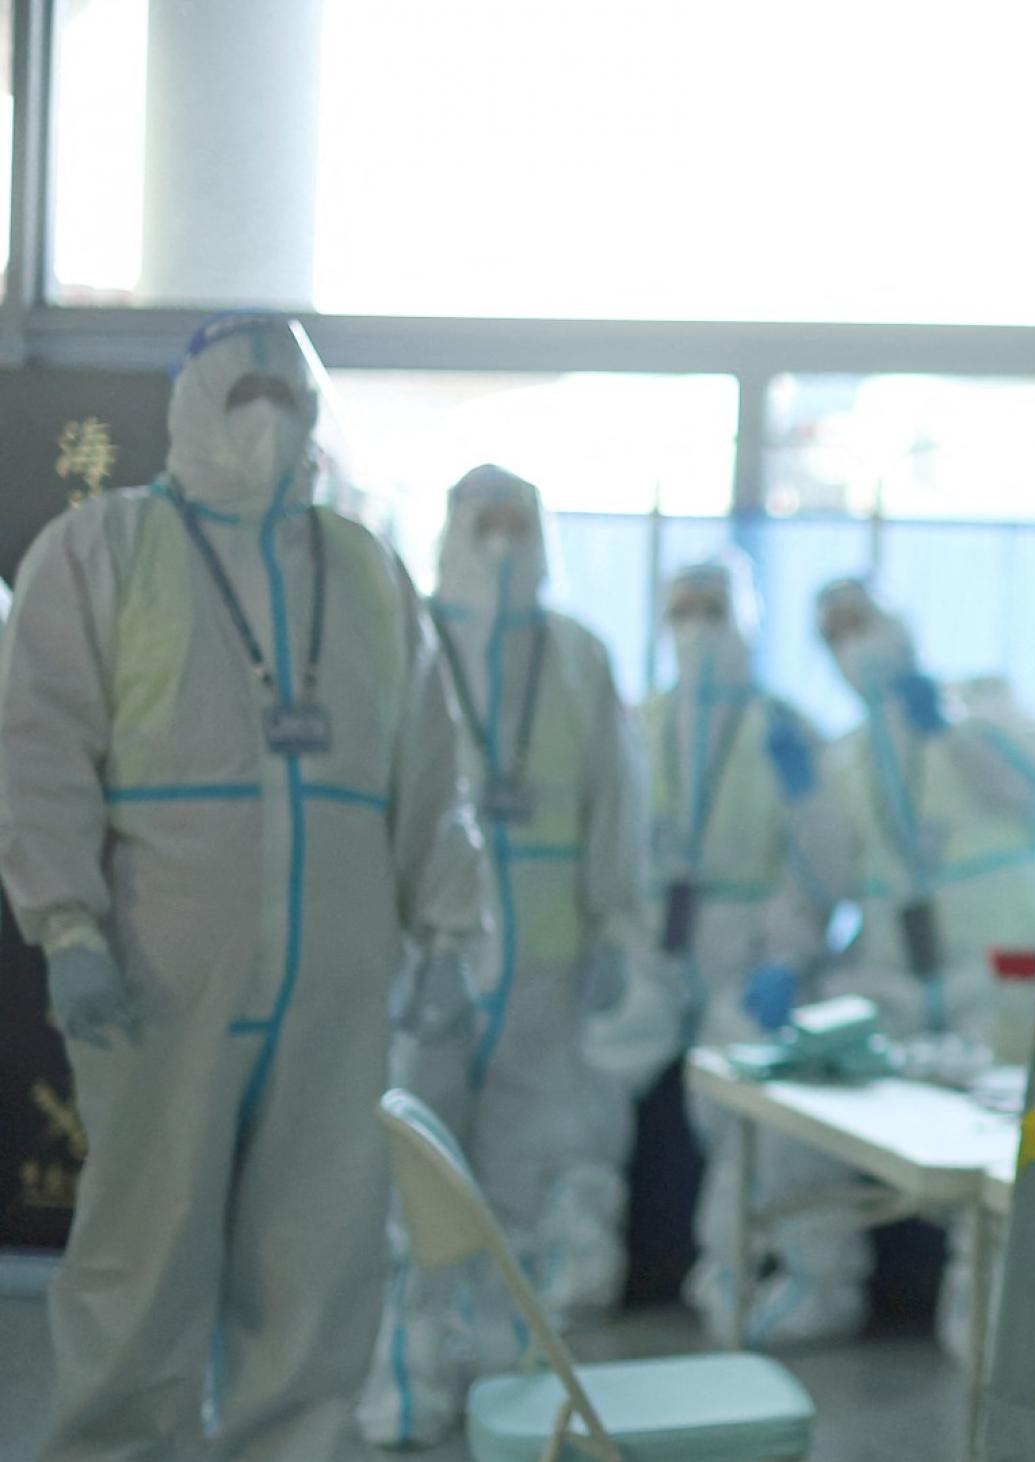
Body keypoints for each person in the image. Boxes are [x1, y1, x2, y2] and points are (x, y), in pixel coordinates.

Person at [0, 312, 492, 1459]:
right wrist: (66, 924)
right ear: (189, 407)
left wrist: (449, 931)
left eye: (288, 399)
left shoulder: (364, 567)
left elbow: (430, 761)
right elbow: (40, 748)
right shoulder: (100, 548)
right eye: (242, 397)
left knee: (318, 1253)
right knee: (144, 1251)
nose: (267, 421)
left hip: (335, 981)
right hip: (160, 977)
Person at [357, 465, 651, 1447]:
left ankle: (500, 1385)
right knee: (417, 1180)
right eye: (482, 522)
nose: (501, 539)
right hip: (432, 960)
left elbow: (617, 799)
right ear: (450, 527)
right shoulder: (411, 635)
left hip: (548, 960)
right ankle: (407, 1383)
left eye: (517, 521)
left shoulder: (578, 653)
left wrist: (614, 925)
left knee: (522, 1180)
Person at [645, 558, 861, 1347]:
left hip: (752, 947)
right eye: (684, 609)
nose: (698, 625)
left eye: (714, 608)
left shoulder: (783, 726)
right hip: (663, 946)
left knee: (751, 1122)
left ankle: (786, 1279)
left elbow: (820, 860)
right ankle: (709, 1274)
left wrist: (787, 952)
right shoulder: (646, 720)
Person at [814, 577, 1035, 1044]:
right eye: (835, 637)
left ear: (895, 625)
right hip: (908, 987)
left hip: (1003, 971)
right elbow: (838, 878)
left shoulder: (985, 706)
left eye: (860, 625)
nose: (852, 645)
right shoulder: (848, 759)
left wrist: (955, 735)